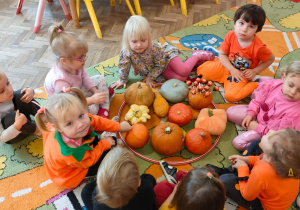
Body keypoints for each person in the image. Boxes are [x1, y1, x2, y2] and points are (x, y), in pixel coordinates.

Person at [35, 87, 132, 189]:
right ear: (58, 128)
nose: (80, 125)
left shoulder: (71, 118)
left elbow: (97, 121)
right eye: (69, 123)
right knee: (110, 159)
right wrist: (103, 144)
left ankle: (102, 140)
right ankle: (103, 142)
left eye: (81, 115)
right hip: (72, 173)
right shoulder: (69, 152)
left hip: (80, 153)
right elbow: (88, 161)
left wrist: (118, 127)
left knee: (92, 131)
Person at [111, 15, 215, 89]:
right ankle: (192, 62)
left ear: (149, 38)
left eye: (143, 40)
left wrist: (150, 77)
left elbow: (160, 63)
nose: (139, 45)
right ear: (127, 40)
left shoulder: (153, 48)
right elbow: (123, 67)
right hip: (159, 68)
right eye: (134, 41)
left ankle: (197, 56)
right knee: (181, 79)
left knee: (183, 71)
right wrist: (122, 80)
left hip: (166, 56)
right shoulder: (126, 52)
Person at [197, 4, 275, 102]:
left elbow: (271, 59)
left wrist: (254, 71)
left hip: (241, 74)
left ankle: (258, 82)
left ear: (257, 30)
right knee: (200, 72)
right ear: (235, 23)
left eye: (251, 26)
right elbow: (223, 54)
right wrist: (231, 69)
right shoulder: (230, 35)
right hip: (226, 65)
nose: (244, 29)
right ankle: (216, 54)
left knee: (231, 96)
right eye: (241, 23)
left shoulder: (259, 47)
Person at [208, 128, 300, 210]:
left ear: (269, 158)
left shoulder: (262, 171)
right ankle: (232, 172)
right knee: (257, 144)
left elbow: (248, 196)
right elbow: (260, 158)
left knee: (225, 180)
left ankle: (235, 175)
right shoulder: (285, 164)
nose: (270, 130)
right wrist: (244, 159)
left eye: (270, 136)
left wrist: (242, 168)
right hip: (267, 182)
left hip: (262, 205)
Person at [226, 61, 300, 151]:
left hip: (268, 133)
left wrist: (257, 127)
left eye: (299, 91)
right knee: (229, 112)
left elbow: (277, 135)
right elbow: (258, 100)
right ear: (284, 78)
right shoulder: (275, 85)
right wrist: (251, 113)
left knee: (238, 143)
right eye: (290, 85)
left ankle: (264, 150)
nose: (292, 92)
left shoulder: (295, 114)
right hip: (258, 116)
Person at [44, 24, 114, 118]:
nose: (85, 59)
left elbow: (84, 76)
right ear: (64, 60)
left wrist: (94, 90)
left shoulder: (74, 65)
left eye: (84, 55)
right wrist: (92, 100)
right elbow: (70, 103)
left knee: (101, 78)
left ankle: (103, 107)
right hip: (65, 104)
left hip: (77, 91)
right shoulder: (60, 81)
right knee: (91, 110)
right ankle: (102, 105)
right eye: (80, 57)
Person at [81, 146, 156, 210]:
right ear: (138, 183)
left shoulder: (97, 199)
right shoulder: (146, 189)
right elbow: (150, 180)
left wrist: (108, 179)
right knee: (151, 180)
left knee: (85, 192)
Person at [154, 167, 226, 210]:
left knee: (161, 188)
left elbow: (164, 207)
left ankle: (184, 177)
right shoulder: (216, 204)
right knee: (184, 174)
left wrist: (174, 193)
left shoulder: (167, 208)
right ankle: (185, 176)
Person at [0, 71, 40, 143]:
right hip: (14, 133)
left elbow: (22, 91)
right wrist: (17, 124)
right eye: (2, 91)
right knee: (11, 118)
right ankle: (38, 131)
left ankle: (43, 116)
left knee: (20, 95)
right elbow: (1, 138)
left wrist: (30, 91)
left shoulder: (8, 93)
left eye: (8, 83)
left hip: (23, 119)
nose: (9, 90)